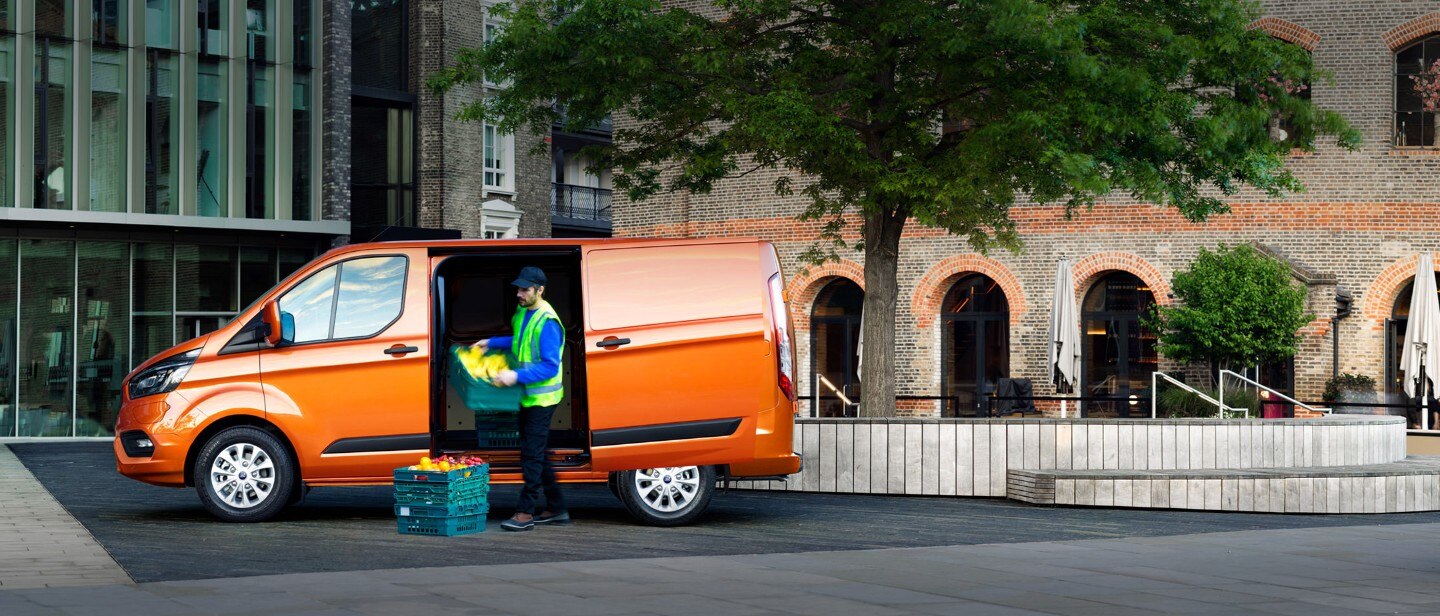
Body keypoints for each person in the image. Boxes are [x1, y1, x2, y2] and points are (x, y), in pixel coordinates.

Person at [473, 266, 569, 531]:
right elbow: (519, 341)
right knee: (537, 453)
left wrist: (514, 376)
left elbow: (550, 366)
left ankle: (525, 512)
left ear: (540, 290)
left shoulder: (548, 321)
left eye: (525, 289)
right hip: (528, 397)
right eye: (518, 288)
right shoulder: (523, 313)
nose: (519, 293)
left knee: (531, 455)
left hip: (543, 399)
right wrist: (491, 342)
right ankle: (557, 508)